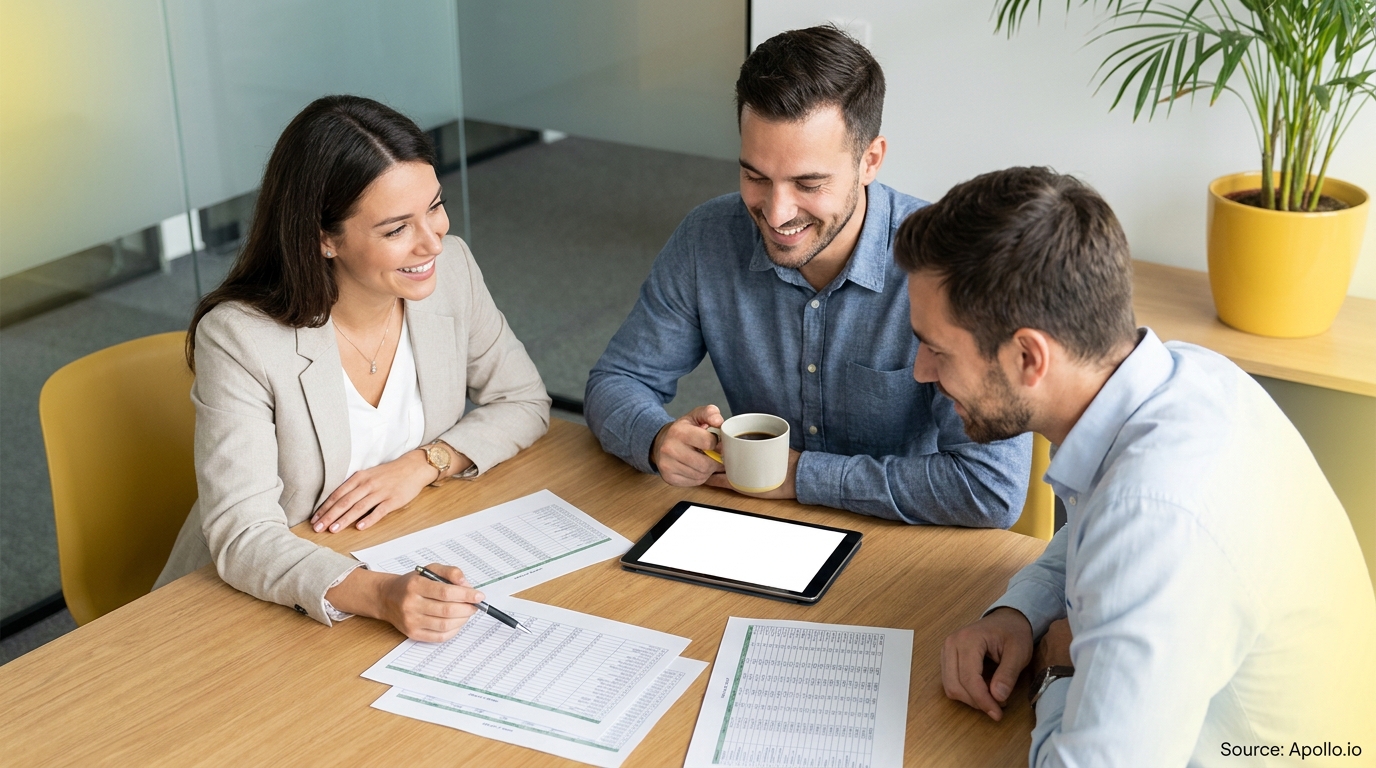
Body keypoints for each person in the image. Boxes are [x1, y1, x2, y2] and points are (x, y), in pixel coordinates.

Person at [901, 167, 1376, 765]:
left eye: (937, 350)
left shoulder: (1156, 516)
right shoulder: (1186, 376)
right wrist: (1020, 612)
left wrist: (1059, 666)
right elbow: (1094, 528)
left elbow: (1132, 529)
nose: (921, 371)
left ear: (1028, 356)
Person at [585, 26, 1030, 526]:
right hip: (756, 530)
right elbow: (616, 380)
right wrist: (656, 438)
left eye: (808, 183)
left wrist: (802, 477)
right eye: (755, 176)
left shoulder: (951, 266)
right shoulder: (706, 238)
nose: (776, 214)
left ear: (870, 161)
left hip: (906, 544)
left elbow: (990, 485)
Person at [155, 96, 551, 642]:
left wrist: (425, 463)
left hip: (397, 545)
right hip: (259, 598)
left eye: (434, 206)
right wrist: (382, 594)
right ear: (324, 237)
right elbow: (243, 534)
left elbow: (523, 399)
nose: (432, 240)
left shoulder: (450, 268)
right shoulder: (241, 338)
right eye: (396, 229)